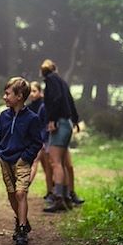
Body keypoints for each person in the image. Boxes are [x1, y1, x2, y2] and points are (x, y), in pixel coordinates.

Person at [0, 77, 43, 245]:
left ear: (19, 96)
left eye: (8, 94)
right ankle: (22, 220)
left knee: (20, 193)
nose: (4, 97)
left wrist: (25, 157)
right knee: (11, 193)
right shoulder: (3, 116)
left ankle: (22, 229)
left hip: (21, 161)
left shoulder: (32, 118)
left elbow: (37, 142)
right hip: (5, 160)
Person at [40, 59, 82, 212]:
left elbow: (55, 100)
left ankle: (58, 198)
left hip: (59, 124)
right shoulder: (63, 82)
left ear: (43, 72)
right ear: (55, 69)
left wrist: (52, 119)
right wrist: (75, 120)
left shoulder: (51, 81)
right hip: (67, 123)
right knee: (62, 162)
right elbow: (70, 102)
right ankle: (66, 199)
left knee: (55, 162)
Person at [27, 81, 54, 209]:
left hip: (44, 140)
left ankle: (26, 187)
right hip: (35, 140)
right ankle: (50, 191)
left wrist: (42, 141)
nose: (32, 94)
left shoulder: (44, 106)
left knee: (41, 164)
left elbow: (45, 125)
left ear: (40, 92)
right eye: (30, 91)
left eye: (34, 91)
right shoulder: (29, 107)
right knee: (44, 166)